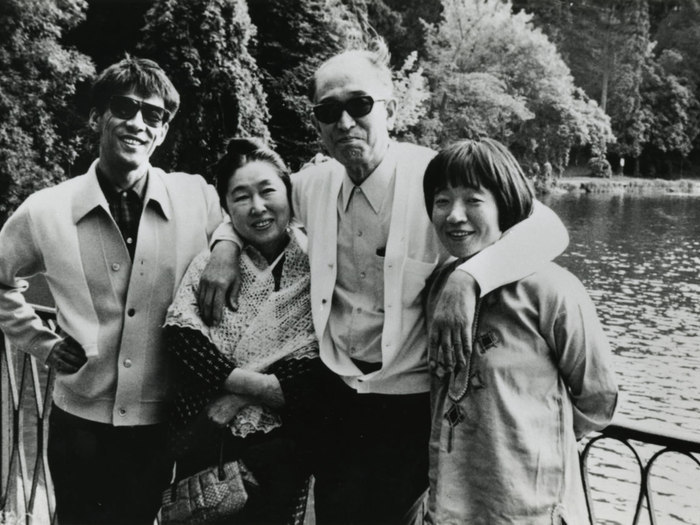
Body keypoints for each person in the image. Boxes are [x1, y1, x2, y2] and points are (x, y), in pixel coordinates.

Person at [197, 41, 570, 525]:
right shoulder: (314, 184)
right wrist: (224, 245)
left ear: (390, 108)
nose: (345, 122)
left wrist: (470, 279)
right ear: (317, 123)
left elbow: (548, 228)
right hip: (333, 392)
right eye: (328, 111)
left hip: (409, 401)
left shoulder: (433, 178)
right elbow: (256, 206)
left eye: (359, 104)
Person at [0, 56, 223, 525]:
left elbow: (246, 229)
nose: (138, 122)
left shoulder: (196, 197)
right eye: (124, 107)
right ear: (97, 116)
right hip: (77, 424)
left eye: (154, 114)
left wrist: (224, 249)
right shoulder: (46, 210)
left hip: (158, 426)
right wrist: (41, 343)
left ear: (163, 131)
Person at [422, 138, 618, 524]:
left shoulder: (550, 289)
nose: (454, 215)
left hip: (530, 507)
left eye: (473, 200)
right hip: (450, 504)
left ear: (504, 205)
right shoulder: (440, 287)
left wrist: (533, 437)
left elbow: (598, 398)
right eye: (442, 200)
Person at [164, 138, 324, 525]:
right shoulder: (212, 262)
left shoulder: (319, 264)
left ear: (289, 193)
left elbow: (321, 357)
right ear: (227, 209)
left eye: (268, 191)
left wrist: (237, 396)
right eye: (241, 197)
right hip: (207, 442)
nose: (257, 207)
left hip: (280, 454)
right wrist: (260, 386)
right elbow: (182, 339)